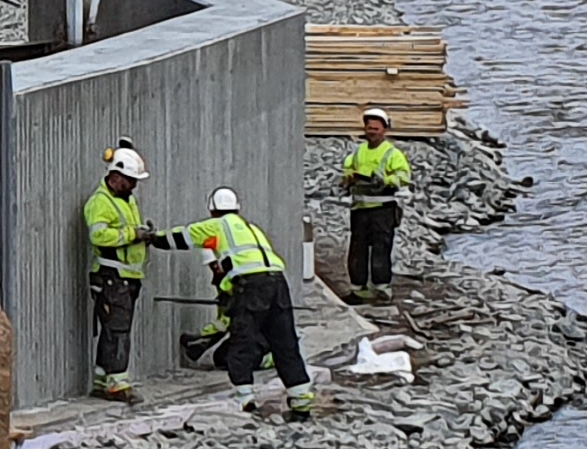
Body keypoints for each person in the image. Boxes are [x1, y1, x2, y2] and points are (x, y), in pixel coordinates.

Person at [179, 186, 318, 418]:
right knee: (286, 345)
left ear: (213, 212)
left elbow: (182, 237)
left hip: (254, 295)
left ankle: (244, 401)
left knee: (238, 347)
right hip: (278, 285)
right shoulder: (250, 231)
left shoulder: (220, 228)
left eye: (214, 266)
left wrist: (153, 238)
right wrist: (202, 339)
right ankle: (302, 400)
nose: (214, 270)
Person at [82, 142, 152, 398]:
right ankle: (117, 384)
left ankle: (103, 379)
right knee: (117, 330)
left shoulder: (127, 200)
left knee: (114, 329)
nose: (134, 185)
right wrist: (134, 234)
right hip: (112, 275)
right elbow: (99, 236)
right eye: (130, 180)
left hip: (126, 275)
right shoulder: (100, 202)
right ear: (114, 177)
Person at [340, 109, 412, 303]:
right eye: (369, 128)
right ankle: (358, 289)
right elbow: (347, 170)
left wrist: (386, 180)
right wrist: (348, 179)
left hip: (383, 208)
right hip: (360, 209)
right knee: (357, 249)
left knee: (381, 248)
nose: (371, 132)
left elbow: (404, 177)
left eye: (375, 128)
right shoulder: (359, 151)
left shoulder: (392, 153)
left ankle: (381, 289)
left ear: (384, 130)